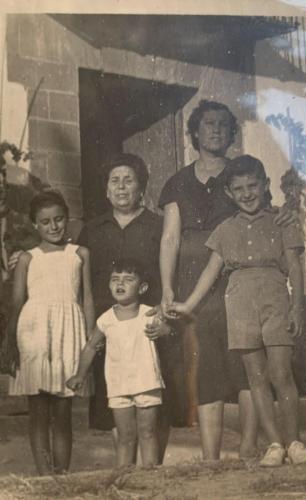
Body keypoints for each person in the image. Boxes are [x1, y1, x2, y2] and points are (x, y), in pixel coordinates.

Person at [159, 100, 294, 460]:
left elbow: (266, 210)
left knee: (248, 365)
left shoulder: (240, 175)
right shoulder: (178, 182)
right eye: (207, 124)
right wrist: (169, 287)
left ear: (231, 133)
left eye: (222, 124)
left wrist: (283, 215)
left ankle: (250, 446)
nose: (215, 130)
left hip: (239, 284)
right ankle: (210, 455)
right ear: (194, 133)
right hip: (195, 284)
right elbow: (170, 238)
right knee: (207, 366)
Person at [169, 155, 306, 467]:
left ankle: (294, 441)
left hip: (275, 301)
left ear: (264, 186)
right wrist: (188, 304)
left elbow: (296, 271)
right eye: (239, 188)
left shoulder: (282, 222)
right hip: (239, 305)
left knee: (281, 373)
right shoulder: (224, 230)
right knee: (256, 377)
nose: (247, 193)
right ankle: (274, 443)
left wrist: (298, 310)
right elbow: (210, 272)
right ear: (229, 194)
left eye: (252, 186)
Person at [77, 153, 172, 459]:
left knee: (151, 404)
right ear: (106, 189)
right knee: (116, 400)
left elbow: (170, 273)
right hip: (110, 326)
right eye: (114, 181)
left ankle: (152, 469)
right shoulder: (92, 230)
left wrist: (164, 316)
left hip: (148, 327)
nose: (121, 187)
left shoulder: (157, 226)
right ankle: (125, 470)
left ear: (141, 187)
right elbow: (74, 271)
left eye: (128, 180)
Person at [6, 190, 95, 475]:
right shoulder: (27, 259)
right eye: (45, 222)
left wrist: (91, 339)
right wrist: (9, 342)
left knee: (63, 411)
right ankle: (45, 478)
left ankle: (62, 476)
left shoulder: (79, 254)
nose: (54, 227)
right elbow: (17, 302)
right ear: (35, 224)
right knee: (39, 412)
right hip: (34, 334)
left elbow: (88, 299)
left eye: (59, 219)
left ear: (67, 218)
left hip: (68, 332)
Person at [67, 259, 164, 467]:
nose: (120, 283)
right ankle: (123, 479)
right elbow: (91, 346)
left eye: (128, 279)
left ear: (142, 287)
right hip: (118, 385)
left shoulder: (150, 314)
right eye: (115, 279)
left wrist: (164, 329)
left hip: (146, 382)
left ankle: (152, 478)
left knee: (147, 432)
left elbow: (166, 329)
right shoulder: (105, 319)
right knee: (125, 436)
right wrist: (79, 375)